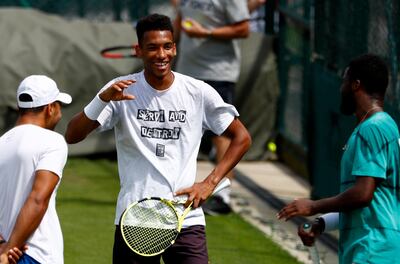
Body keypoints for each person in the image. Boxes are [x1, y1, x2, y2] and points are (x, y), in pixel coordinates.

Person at [65, 14, 251, 264]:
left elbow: (242, 138)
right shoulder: (120, 90)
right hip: (135, 218)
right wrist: (102, 99)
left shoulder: (198, 92)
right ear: (138, 50)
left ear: (174, 48)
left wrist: (209, 183)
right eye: (152, 47)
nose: (161, 54)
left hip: (186, 219)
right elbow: (73, 135)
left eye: (167, 46)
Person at [277, 54, 400, 263]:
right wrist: (321, 224)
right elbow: (368, 205)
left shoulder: (373, 128)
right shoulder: (382, 126)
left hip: (372, 249)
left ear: (356, 85)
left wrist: (313, 206)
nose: (340, 88)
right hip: (372, 247)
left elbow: (363, 194)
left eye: (344, 81)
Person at [173, 0, 250, 215]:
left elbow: (243, 29)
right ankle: (176, 187)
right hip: (187, 70)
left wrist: (206, 33)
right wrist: (163, 47)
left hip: (218, 73)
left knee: (222, 133)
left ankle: (222, 195)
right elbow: (180, 20)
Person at [0, 75, 72, 264]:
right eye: (59, 106)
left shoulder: (1, 143)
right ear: (50, 108)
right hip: (35, 254)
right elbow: (38, 199)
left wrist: (3, 243)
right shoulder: (53, 141)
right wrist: (9, 250)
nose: (60, 114)